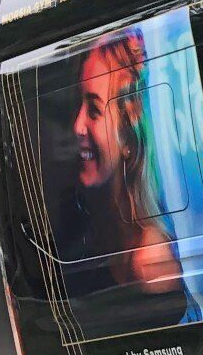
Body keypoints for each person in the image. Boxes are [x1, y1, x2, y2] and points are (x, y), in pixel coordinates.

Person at [55, 30, 188, 334]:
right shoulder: (95, 228)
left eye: (94, 109)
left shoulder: (150, 261)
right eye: (78, 105)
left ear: (128, 133)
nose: (77, 126)